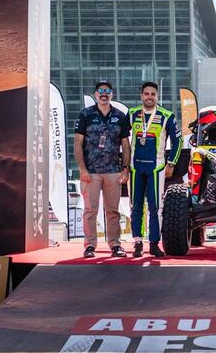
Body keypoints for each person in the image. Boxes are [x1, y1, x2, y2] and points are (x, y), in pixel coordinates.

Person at [73, 81, 131, 258]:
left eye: (107, 91)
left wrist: (125, 169)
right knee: (90, 211)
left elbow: (126, 145)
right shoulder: (86, 114)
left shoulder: (120, 116)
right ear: (96, 94)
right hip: (91, 172)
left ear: (111, 94)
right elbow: (77, 143)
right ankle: (90, 245)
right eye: (101, 91)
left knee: (112, 210)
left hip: (113, 171)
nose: (104, 94)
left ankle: (115, 245)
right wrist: (82, 169)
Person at [128, 81, 182, 258]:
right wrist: (123, 164)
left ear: (157, 96)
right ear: (141, 96)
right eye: (146, 94)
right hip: (135, 169)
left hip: (156, 168)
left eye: (153, 94)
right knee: (135, 207)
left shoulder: (167, 115)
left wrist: (171, 163)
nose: (149, 97)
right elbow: (120, 136)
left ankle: (153, 243)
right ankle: (137, 243)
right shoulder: (132, 114)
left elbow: (177, 141)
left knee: (155, 207)